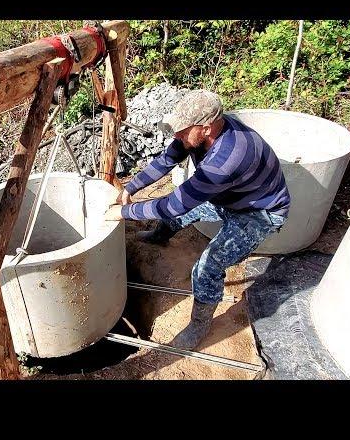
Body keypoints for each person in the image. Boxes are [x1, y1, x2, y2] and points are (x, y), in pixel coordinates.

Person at [104, 90, 291, 349]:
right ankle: (159, 237)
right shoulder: (195, 136)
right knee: (183, 211)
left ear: (205, 128)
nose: (176, 136)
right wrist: (129, 188)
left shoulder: (228, 158)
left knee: (207, 267)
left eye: (182, 131)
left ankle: (199, 326)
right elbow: (166, 160)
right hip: (231, 197)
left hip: (258, 212)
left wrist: (123, 213)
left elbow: (174, 204)